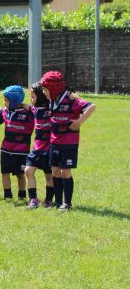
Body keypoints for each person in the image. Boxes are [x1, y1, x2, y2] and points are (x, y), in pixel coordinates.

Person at [40, 71, 96, 212]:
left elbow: (91, 106)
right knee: (55, 171)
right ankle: (58, 202)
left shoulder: (71, 100)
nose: (43, 92)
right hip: (54, 142)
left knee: (66, 172)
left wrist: (79, 122)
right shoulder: (52, 100)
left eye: (45, 89)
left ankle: (67, 203)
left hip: (68, 144)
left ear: (53, 89)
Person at [0, 85, 34, 202]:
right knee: (5, 172)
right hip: (5, 149)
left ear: (14, 101)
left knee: (20, 174)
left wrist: (26, 105)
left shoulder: (28, 113)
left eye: (6, 100)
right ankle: (7, 195)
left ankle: (22, 195)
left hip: (21, 150)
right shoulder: (5, 111)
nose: (4, 103)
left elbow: (37, 109)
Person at [25, 82, 54, 209]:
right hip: (36, 149)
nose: (30, 99)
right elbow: (27, 106)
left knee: (49, 176)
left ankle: (48, 200)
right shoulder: (34, 109)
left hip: (48, 150)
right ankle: (33, 199)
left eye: (32, 96)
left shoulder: (51, 110)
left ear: (41, 97)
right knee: (28, 170)